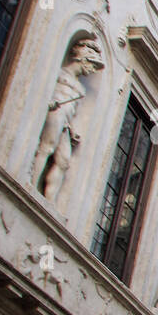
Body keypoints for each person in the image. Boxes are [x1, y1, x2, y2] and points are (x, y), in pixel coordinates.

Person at [32, 37, 105, 202]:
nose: (92, 69)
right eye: (91, 64)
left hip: (65, 121)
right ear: (81, 57)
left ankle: (49, 200)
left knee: (64, 161)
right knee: (47, 148)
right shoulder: (61, 74)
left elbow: (72, 111)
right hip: (56, 112)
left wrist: (72, 130)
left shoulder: (80, 88)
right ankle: (32, 184)